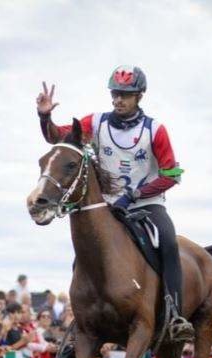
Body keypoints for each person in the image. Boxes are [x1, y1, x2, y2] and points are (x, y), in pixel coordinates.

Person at [36, 65, 193, 340]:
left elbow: (171, 176)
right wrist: (44, 115)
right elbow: (58, 138)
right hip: (107, 205)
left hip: (147, 203)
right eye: (116, 93)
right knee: (85, 252)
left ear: (139, 96)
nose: (119, 99)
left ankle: (175, 315)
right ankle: (79, 325)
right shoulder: (96, 123)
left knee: (168, 242)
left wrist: (134, 194)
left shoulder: (155, 130)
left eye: (126, 94)